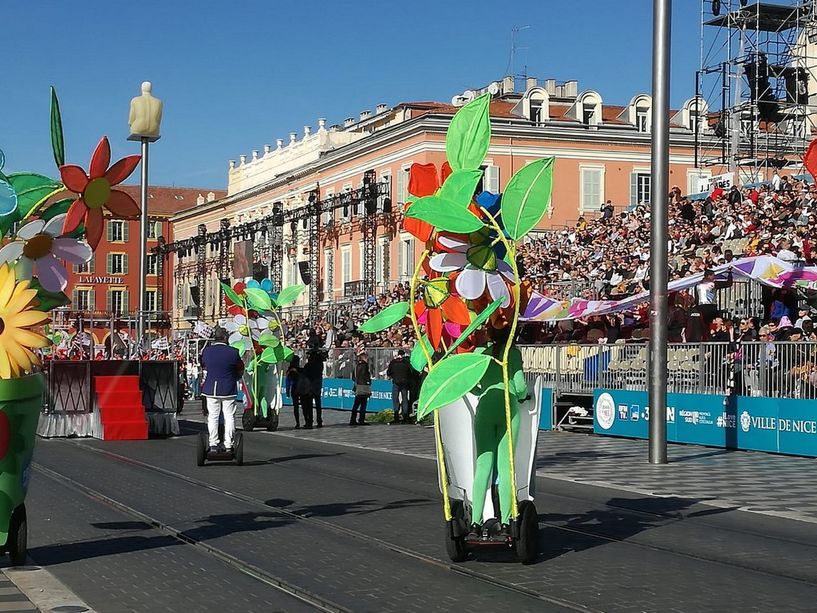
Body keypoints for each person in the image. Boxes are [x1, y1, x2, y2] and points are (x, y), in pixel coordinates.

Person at [201, 327, 244, 454]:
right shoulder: (233, 352)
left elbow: (204, 366)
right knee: (229, 417)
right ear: (225, 338)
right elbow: (240, 369)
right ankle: (229, 444)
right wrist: (235, 377)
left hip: (211, 389)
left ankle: (213, 443)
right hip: (228, 388)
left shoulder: (207, 351)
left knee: (213, 417)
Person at [386, 349, 412, 424]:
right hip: (404, 383)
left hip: (396, 382)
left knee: (395, 400)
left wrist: (392, 376)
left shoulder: (393, 362)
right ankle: (405, 417)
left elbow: (389, 372)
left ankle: (396, 416)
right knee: (405, 399)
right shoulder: (406, 362)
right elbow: (410, 372)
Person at [303, 350, 325, 428]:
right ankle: (319, 421)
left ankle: (310, 421)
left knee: (309, 405)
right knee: (318, 404)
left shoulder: (308, 365)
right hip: (317, 386)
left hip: (310, 386)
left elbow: (304, 374)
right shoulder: (320, 364)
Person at [350, 352, 372, 426]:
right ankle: (361, 420)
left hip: (358, 386)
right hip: (364, 386)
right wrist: (368, 382)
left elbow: (353, 377)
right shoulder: (365, 365)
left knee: (356, 405)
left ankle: (352, 420)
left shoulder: (356, 366)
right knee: (363, 405)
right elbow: (365, 375)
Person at [285, 355, 303, 428]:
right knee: (304, 406)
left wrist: (287, 392)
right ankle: (307, 421)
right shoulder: (301, 370)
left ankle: (297, 423)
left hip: (294, 389)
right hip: (302, 389)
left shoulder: (289, 371)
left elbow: (287, 382)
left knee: (296, 407)